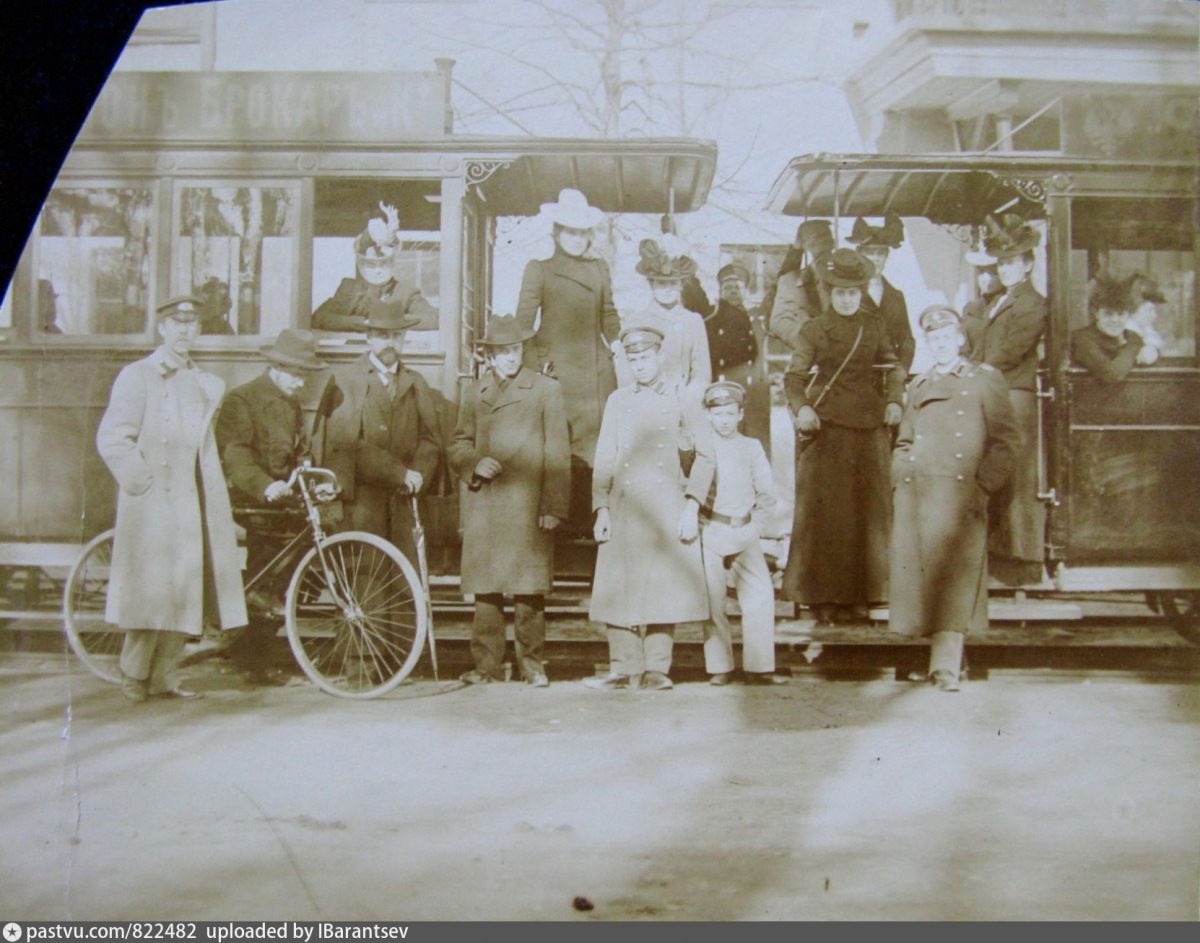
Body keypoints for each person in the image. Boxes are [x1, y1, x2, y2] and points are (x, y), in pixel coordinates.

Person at [95, 296, 248, 702]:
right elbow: (113, 437)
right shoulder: (138, 376)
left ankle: (164, 676)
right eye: (177, 323)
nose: (185, 330)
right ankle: (133, 674)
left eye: (192, 323)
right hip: (151, 502)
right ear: (162, 328)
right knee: (150, 592)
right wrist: (141, 482)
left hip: (191, 499)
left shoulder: (203, 382)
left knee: (185, 589)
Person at [889, 306, 1021, 692]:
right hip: (918, 493)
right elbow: (905, 439)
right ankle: (931, 660)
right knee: (921, 581)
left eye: (947, 336)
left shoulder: (984, 381)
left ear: (961, 339)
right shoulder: (920, 384)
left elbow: (1007, 442)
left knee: (956, 579)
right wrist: (900, 475)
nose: (941, 343)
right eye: (934, 338)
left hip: (960, 493)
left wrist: (982, 486)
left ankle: (944, 666)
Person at [585, 326, 714, 691]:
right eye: (633, 359)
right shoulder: (618, 400)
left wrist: (692, 505)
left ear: (660, 357)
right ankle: (623, 667)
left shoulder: (682, 399)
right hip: (624, 504)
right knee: (618, 582)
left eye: (645, 358)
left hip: (665, 505)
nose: (639, 366)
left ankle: (657, 668)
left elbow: (706, 456)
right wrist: (601, 508)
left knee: (661, 584)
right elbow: (605, 457)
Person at [782, 248, 905, 624]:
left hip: (868, 427)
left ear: (862, 292)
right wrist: (802, 408)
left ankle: (864, 595)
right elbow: (794, 378)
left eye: (854, 292)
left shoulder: (874, 326)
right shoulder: (814, 329)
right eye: (840, 293)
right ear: (830, 293)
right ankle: (822, 598)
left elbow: (893, 367)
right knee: (829, 516)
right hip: (827, 429)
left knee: (866, 515)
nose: (847, 299)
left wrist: (895, 400)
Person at [448, 316, 571, 687]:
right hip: (485, 501)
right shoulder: (474, 391)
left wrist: (553, 507)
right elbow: (458, 443)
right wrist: (473, 463)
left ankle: (532, 665)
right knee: (485, 589)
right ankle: (486, 666)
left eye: (514, 350)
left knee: (528, 589)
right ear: (489, 356)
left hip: (528, 503)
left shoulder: (546, 389)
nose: (509, 359)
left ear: (522, 350)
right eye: (501, 352)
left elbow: (558, 453)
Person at [215, 328, 328, 685]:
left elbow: (300, 452)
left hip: (282, 497)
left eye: (305, 374)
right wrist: (266, 486)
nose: (301, 382)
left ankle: (252, 644)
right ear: (276, 367)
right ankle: (252, 658)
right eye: (296, 373)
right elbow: (235, 456)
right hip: (253, 498)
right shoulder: (243, 400)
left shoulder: (292, 404)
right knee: (268, 573)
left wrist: (311, 477)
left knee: (299, 556)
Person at [513, 188, 620, 537]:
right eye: (570, 232)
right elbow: (523, 325)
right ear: (557, 232)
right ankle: (556, 531)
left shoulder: (599, 268)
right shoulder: (539, 270)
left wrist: (619, 343)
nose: (577, 239)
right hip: (556, 375)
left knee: (597, 451)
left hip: (595, 376)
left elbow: (608, 313)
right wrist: (536, 370)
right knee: (558, 449)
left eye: (583, 232)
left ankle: (594, 531)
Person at [962, 213, 1048, 585]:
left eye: (1013, 262)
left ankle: (1023, 559)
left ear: (1028, 264)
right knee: (997, 469)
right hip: (995, 389)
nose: (1006, 269)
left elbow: (1012, 350)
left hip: (1014, 394)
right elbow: (983, 344)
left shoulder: (1032, 303)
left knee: (1017, 473)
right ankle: (999, 553)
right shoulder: (998, 299)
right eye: (1003, 263)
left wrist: (975, 370)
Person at [682, 381, 786, 687]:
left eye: (730, 413)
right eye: (718, 414)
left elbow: (766, 495)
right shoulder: (702, 448)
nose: (724, 419)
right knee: (713, 603)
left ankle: (760, 667)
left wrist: (755, 527)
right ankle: (720, 667)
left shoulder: (751, 448)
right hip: (712, 530)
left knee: (760, 598)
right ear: (709, 417)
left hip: (744, 532)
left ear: (740, 414)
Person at [319, 308, 441, 568]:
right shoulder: (345, 381)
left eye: (396, 336)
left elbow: (430, 439)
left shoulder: (415, 381)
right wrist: (398, 473)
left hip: (406, 498)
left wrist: (418, 475)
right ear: (368, 338)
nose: (390, 343)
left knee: (406, 582)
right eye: (383, 335)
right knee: (367, 578)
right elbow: (347, 443)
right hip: (364, 500)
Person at [312, 202, 437, 333]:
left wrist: (389, 321)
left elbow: (434, 317)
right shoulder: (349, 290)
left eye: (384, 264)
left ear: (392, 263)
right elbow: (319, 317)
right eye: (372, 265)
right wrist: (365, 323)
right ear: (362, 265)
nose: (378, 270)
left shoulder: (405, 292)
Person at [615, 235, 712, 397]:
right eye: (661, 283)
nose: (667, 289)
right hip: (646, 405)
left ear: (681, 285)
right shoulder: (635, 321)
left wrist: (689, 396)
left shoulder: (693, 321)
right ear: (651, 284)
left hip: (682, 403)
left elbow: (701, 373)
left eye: (673, 283)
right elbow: (626, 375)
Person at [700, 263, 771, 449]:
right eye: (728, 288)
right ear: (721, 292)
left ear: (746, 290)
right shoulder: (712, 320)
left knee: (758, 443)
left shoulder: (758, 318)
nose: (733, 291)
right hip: (726, 387)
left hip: (757, 391)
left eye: (738, 287)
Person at [846, 215, 915, 375]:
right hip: (853, 376)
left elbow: (907, 341)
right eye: (870, 252)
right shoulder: (847, 293)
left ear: (887, 256)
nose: (875, 259)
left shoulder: (896, 296)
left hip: (888, 377)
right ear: (860, 255)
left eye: (881, 253)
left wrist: (901, 372)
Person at [1071, 275, 1160, 382]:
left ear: (1127, 315)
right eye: (1108, 314)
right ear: (1096, 314)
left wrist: (1152, 350)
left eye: (1121, 314)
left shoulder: (1132, 336)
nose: (1115, 320)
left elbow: (1146, 354)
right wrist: (1133, 349)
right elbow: (1111, 374)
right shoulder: (1082, 339)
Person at [769, 219, 835, 353]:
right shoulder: (790, 282)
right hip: (809, 356)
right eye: (814, 243)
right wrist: (806, 341)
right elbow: (779, 322)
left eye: (825, 242)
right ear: (805, 248)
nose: (821, 250)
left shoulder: (849, 277)